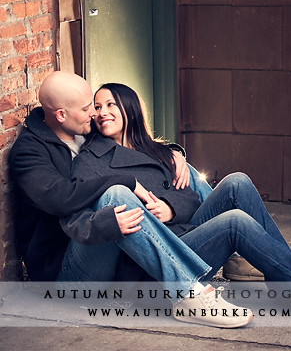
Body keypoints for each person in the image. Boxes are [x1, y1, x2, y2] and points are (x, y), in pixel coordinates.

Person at [60, 81, 291, 322]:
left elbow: (191, 197)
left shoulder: (157, 152)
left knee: (237, 182)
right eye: (96, 107)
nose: (102, 112)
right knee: (236, 222)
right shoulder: (91, 160)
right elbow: (78, 215)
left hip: (184, 238)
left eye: (110, 104)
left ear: (129, 109)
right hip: (150, 266)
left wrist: (169, 207)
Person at [9, 72, 253, 328]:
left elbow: (133, 144)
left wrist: (173, 154)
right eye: (87, 108)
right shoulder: (29, 152)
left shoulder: (82, 128)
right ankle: (189, 294)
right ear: (61, 115)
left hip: (105, 251)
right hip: (67, 270)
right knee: (116, 194)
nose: (95, 113)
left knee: (198, 175)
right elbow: (60, 199)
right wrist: (122, 181)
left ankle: (236, 253)